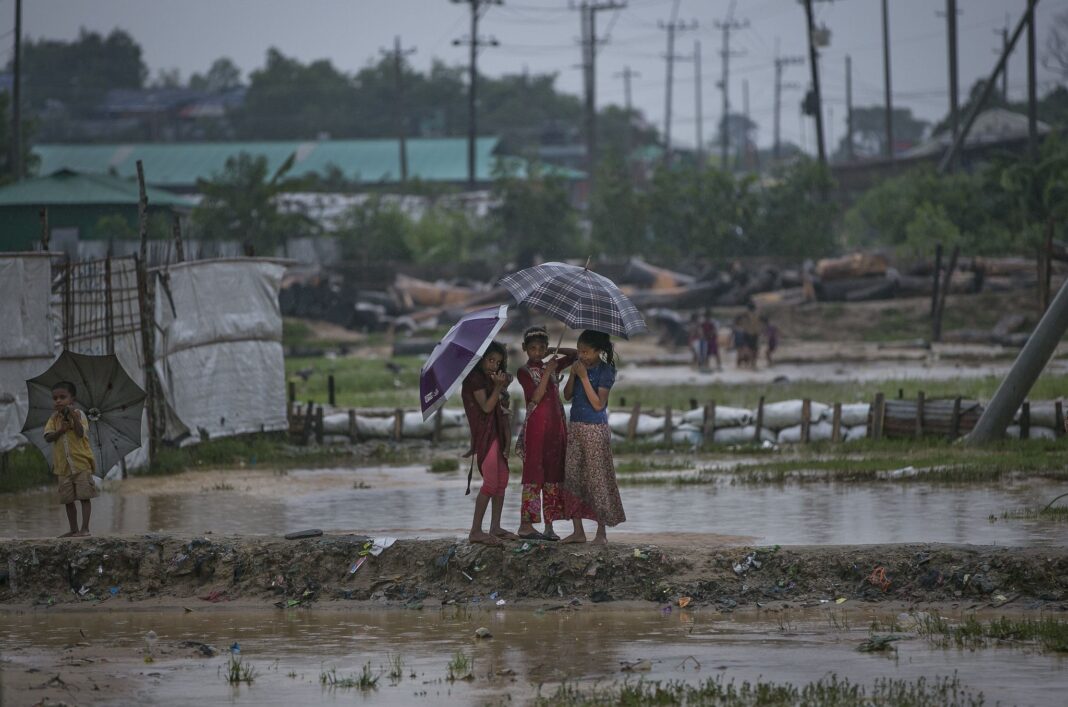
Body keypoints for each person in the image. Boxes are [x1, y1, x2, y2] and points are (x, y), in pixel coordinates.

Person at [560, 330, 626, 544]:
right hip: (576, 426)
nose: (582, 355)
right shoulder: (579, 367)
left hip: (595, 429)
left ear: (598, 351)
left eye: (586, 352)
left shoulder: (606, 371)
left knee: (597, 479)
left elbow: (598, 404)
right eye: (579, 351)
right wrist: (572, 375)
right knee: (572, 477)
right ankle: (578, 530)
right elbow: (567, 395)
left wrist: (583, 378)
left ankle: (601, 532)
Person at [514, 326, 576, 541]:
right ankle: (526, 526)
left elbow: (576, 355)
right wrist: (549, 371)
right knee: (533, 476)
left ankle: (550, 527)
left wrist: (552, 354)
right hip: (536, 429)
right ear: (524, 348)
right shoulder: (524, 371)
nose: (538, 353)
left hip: (555, 429)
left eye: (542, 348)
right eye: (533, 349)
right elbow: (535, 398)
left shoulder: (552, 364)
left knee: (552, 476)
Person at [461, 341, 520, 546]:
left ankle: (495, 527)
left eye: (498, 362)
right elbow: (486, 407)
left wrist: (501, 385)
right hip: (486, 434)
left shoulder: (490, 377)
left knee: (502, 479)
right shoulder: (474, 379)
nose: (493, 365)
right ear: (481, 359)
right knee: (491, 483)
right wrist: (498, 387)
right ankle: (476, 531)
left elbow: (501, 396)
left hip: (497, 432)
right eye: (490, 360)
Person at [43, 381, 98, 538]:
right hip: (63, 467)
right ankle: (73, 529)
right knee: (68, 500)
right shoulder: (54, 419)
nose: (58, 401)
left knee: (84, 496)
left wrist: (73, 417)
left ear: (72, 399)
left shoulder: (79, 414)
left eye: (62, 397)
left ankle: (85, 529)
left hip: (81, 464)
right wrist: (61, 430)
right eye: (55, 398)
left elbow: (81, 433)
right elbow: (48, 437)